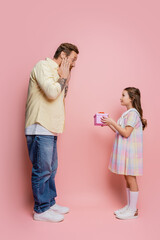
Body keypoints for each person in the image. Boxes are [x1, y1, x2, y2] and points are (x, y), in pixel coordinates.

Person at [25, 43, 79, 222]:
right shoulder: (43, 66)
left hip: (51, 128)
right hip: (39, 126)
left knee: (51, 169)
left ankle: (49, 203)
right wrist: (63, 77)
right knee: (42, 170)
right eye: (73, 59)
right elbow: (51, 93)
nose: (74, 64)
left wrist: (65, 78)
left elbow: (61, 97)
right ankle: (40, 210)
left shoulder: (58, 73)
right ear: (63, 55)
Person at [101, 87, 147, 220]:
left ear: (131, 98)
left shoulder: (133, 114)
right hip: (126, 152)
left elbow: (126, 133)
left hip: (131, 153)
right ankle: (129, 207)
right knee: (127, 178)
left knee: (131, 178)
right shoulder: (127, 114)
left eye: (123, 95)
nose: (121, 98)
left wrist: (113, 122)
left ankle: (133, 210)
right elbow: (120, 132)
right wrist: (109, 124)